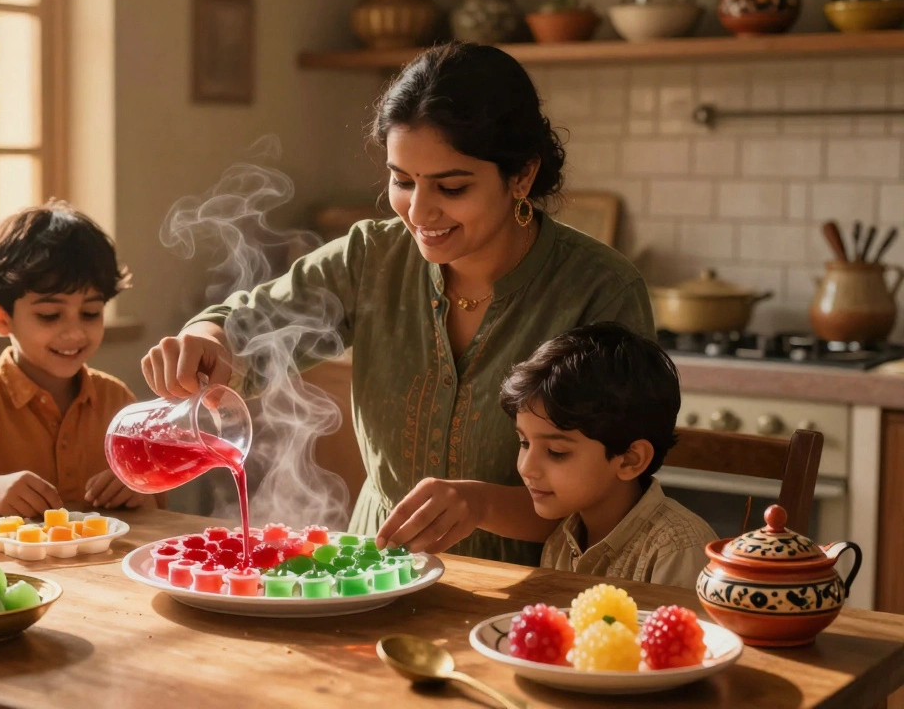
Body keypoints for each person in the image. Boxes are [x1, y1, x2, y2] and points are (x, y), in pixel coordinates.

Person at [142, 42, 653, 565]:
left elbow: (614, 498)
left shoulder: (599, 289)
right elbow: (242, 326)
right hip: (380, 567)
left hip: (538, 582)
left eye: (452, 187)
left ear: (521, 175)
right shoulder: (372, 258)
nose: (419, 212)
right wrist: (207, 342)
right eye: (402, 181)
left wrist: (482, 504)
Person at [0, 199, 156, 516]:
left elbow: (156, 499)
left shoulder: (117, 401)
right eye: (50, 315)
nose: (75, 333)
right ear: (0, 317)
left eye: (91, 312)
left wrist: (137, 485)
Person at [496, 322, 717, 590]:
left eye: (556, 452)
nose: (526, 468)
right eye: (524, 442)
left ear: (630, 459)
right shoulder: (562, 540)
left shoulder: (677, 551)